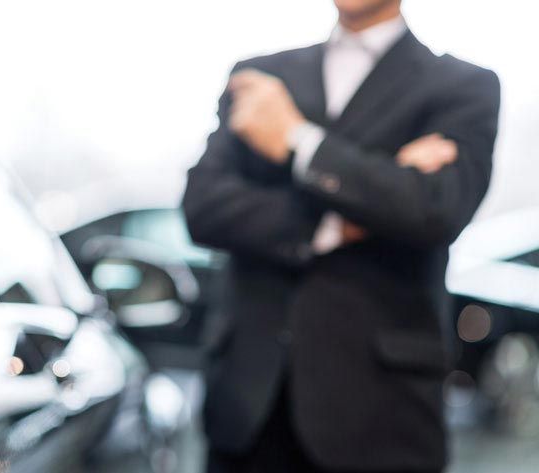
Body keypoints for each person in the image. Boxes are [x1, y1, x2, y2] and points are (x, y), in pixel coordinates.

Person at [182, 0, 500, 472]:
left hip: (382, 416)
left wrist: (297, 138)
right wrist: (348, 214)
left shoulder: (463, 87)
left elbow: (436, 210)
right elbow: (204, 207)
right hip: (248, 406)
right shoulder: (259, 77)